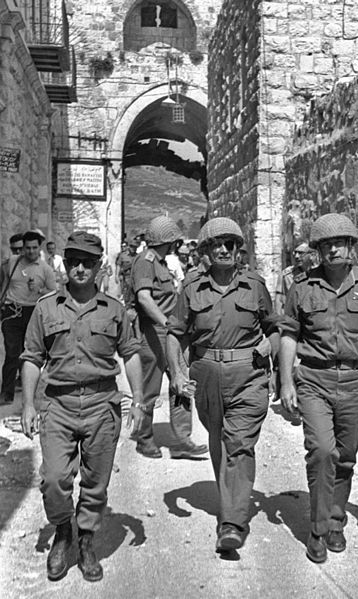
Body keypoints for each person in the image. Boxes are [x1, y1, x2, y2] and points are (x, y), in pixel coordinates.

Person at [20, 231, 143, 583]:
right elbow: (31, 357)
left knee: (95, 481)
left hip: (102, 404)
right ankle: (63, 531)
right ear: (65, 264)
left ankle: (86, 538)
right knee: (54, 479)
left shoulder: (114, 311)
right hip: (58, 404)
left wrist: (138, 399)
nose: (79, 268)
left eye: (88, 262)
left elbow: (131, 354)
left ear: (99, 266)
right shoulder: (46, 308)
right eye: (73, 261)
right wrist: (28, 404)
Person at [279, 213, 358, 564]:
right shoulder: (302, 288)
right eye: (326, 245)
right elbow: (289, 334)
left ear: (352, 246)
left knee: (345, 458)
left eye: (340, 243)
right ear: (318, 251)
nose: (333, 250)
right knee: (321, 452)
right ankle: (317, 530)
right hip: (314, 379)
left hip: (357, 382)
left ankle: (335, 521)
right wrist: (286, 382)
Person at [166, 217, 279, 552]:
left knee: (238, 443)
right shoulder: (190, 288)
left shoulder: (255, 284)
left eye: (230, 244)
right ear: (206, 251)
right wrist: (176, 373)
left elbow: (273, 326)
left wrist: (269, 344)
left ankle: (232, 522)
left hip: (248, 375)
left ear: (238, 250)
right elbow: (175, 333)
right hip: (205, 373)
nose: (224, 250)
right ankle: (231, 498)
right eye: (217, 245)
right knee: (218, 439)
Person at [130, 215, 207, 459]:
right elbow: (144, 298)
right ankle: (143, 438)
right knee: (149, 388)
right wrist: (166, 323)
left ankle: (182, 441)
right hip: (153, 332)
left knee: (181, 382)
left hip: (171, 333)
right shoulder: (145, 261)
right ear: (168, 241)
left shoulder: (161, 262)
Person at [0, 230, 56, 404]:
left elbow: (54, 292)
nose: (31, 251)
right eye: (27, 248)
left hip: (33, 313)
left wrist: (39, 290)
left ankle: (29, 391)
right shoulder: (12, 263)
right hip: (12, 312)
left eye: (34, 248)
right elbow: (3, 282)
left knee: (31, 353)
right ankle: (6, 393)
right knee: (11, 353)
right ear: (22, 248)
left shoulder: (45, 269)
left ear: (39, 248)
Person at [275, 242, 316, 314]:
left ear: (311, 255)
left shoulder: (320, 273)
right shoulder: (287, 275)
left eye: (301, 253)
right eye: (295, 253)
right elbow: (280, 299)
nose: (297, 256)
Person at [115, 237, 139, 302]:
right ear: (129, 247)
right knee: (125, 291)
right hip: (125, 276)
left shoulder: (137, 256)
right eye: (132, 247)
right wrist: (116, 275)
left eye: (135, 247)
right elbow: (118, 265)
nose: (133, 249)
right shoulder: (123, 255)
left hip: (134, 276)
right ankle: (126, 303)